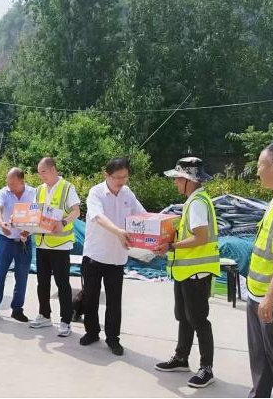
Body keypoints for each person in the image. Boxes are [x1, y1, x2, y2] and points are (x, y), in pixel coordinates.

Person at [153, 157, 220, 389]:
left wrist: (171, 246)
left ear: (188, 180)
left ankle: (206, 368)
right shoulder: (193, 201)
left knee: (198, 320)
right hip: (185, 272)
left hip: (196, 274)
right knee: (184, 316)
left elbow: (200, 237)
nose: (175, 182)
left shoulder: (198, 203)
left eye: (178, 178)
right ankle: (181, 358)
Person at [79, 157, 146, 355]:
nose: (122, 181)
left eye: (125, 177)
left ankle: (113, 338)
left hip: (117, 258)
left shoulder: (127, 193)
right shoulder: (96, 192)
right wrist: (118, 231)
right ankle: (92, 332)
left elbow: (142, 215)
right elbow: (98, 217)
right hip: (95, 255)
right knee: (90, 298)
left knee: (114, 301)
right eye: (118, 177)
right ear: (106, 175)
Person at [246, 141, 273, 398]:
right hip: (257, 294)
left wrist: (270, 296)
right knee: (260, 361)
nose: (257, 171)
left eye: (260, 165)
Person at [29, 157, 80, 338]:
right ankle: (44, 315)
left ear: (53, 169)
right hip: (42, 243)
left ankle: (65, 321)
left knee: (62, 283)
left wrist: (63, 222)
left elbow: (76, 211)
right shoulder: (39, 190)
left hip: (60, 245)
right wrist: (25, 228)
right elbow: (34, 214)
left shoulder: (67, 187)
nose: (40, 175)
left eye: (43, 171)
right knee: (42, 282)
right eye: (39, 172)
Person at [0, 168, 35, 323]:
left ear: (22, 181)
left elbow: (37, 215)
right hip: (6, 240)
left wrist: (28, 230)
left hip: (24, 242)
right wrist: (1, 224)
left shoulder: (33, 193)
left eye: (12, 183)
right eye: (8, 182)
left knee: (22, 277)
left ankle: (17, 309)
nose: (9, 185)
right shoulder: (4, 192)